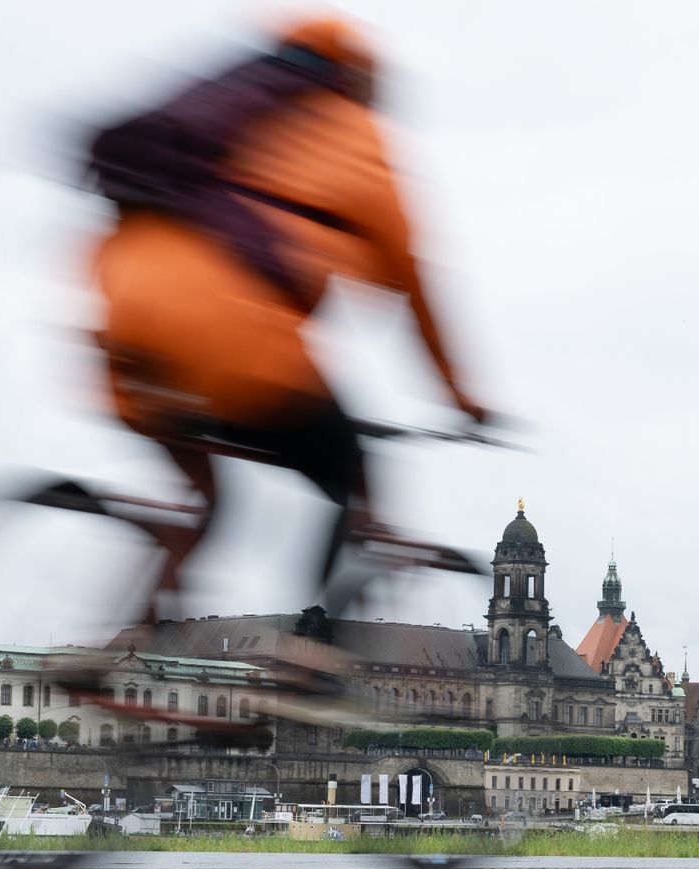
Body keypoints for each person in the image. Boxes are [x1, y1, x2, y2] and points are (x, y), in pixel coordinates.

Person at [88, 12, 485, 637]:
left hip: (117, 319)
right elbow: (413, 289)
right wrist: (463, 396)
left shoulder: (224, 112)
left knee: (206, 497)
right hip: (234, 342)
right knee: (353, 477)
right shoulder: (355, 137)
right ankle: (313, 658)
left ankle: (123, 640)